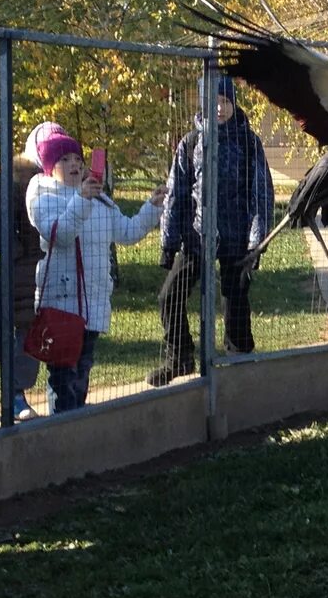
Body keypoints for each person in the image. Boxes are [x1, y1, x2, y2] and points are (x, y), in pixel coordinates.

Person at [146, 75, 274, 387]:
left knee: (236, 298)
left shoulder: (248, 141)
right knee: (170, 295)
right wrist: (169, 240)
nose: (219, 107)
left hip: (237, 236)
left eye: (225, 101)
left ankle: (239, 358)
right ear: (203, 103)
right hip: (197, 235)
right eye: (213, 101)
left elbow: (262, 193)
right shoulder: (190, 142)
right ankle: (179, 358)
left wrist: (257, 243)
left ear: (234, 103)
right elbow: (177, 193)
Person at [26, 133, 166, 413]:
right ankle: (62, 434)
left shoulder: (98, 198)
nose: (74, 164)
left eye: (78, 158)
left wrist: (152, 207)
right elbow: (61, 235)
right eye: (64, 159)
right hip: (61, 305)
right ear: (50, 167)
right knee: (63, 379)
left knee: (82, 374)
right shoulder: (44, 197)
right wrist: (81, 199)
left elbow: (128, 232)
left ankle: (77, 432)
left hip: (94, 305)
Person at [0, 122, 67, 420]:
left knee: (40, 335)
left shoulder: (63, 181)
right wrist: (17, 254)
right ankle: (15, 397)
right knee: (23, 334)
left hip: (54, 271)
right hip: (23, 273)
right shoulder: (15, 180)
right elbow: (1, 224)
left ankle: (54, 397)